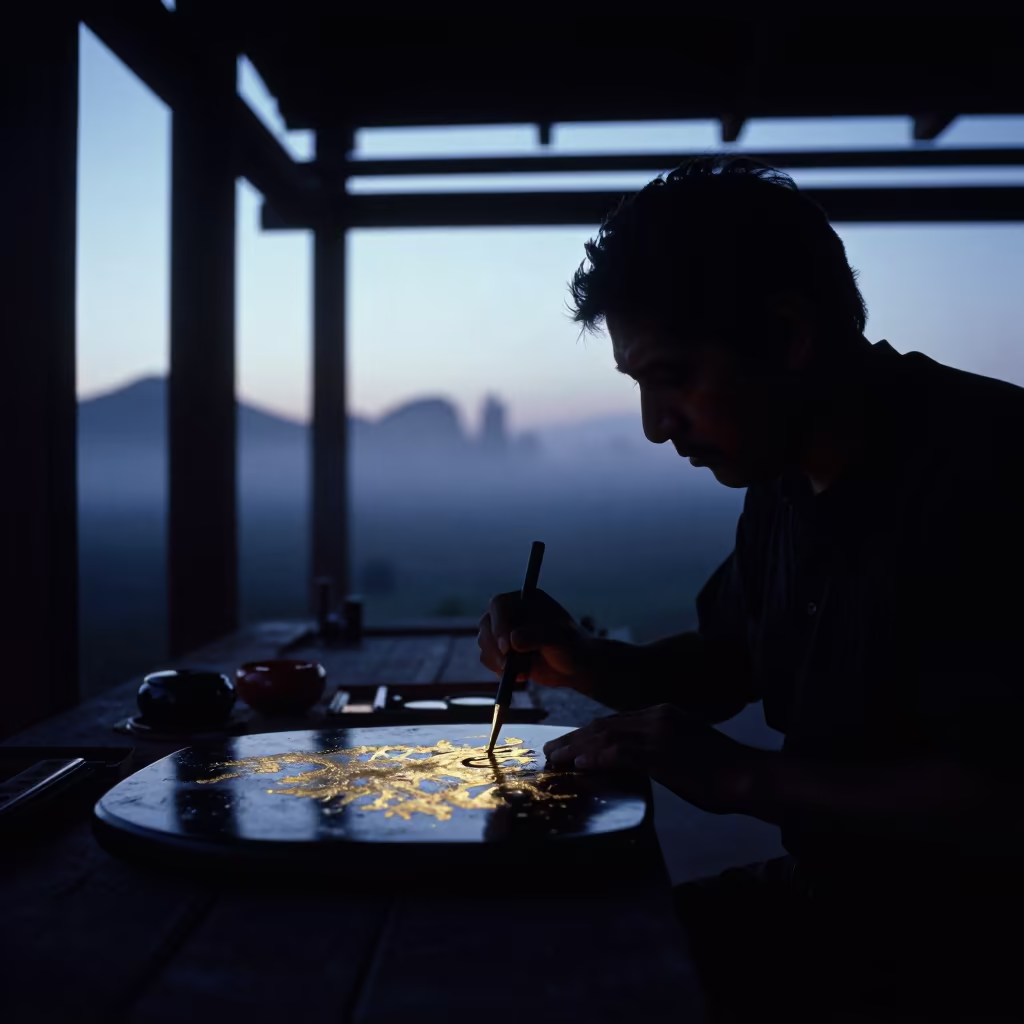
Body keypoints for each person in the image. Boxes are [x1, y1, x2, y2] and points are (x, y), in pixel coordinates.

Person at [478, 157, 1024, 1022]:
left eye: (672, 378)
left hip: (972, 953)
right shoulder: (784, 481)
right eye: (639, 388)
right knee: (529, 959)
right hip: (835, 908)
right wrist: (581, 661)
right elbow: (723, 661)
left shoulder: (990, 471)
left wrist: (740, 780)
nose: (657, 428)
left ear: (786, 334)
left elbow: (1002, 797)